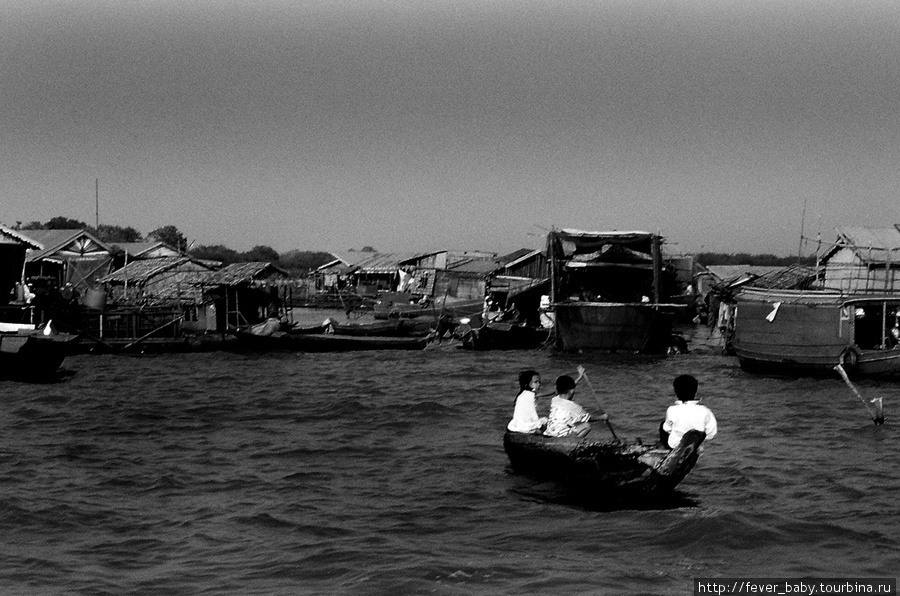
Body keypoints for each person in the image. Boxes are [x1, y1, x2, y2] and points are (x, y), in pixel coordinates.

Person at [659, 374, 717, 449]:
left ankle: (666, 450)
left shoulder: (672, 410)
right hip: (696, 447)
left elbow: (667, 429)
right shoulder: (705, 411)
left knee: (663, 425)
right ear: (695, 392)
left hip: (674, 446)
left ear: (676, 393)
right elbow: (711, 433)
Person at [544, 369, 595, 438]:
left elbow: (568, 388)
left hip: (549, 432)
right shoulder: (573, 406)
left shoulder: (555, 400)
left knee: (570, 423)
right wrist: (603, 417)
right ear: (571, 391)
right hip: (560, 435)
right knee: (587, 425)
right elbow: (588, 418)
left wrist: (579, 377)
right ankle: (575, 442)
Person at [507, 369, 546, 434]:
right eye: (536, 382)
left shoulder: (523, 394)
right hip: (524, 425)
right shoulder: (529, 394)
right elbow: (540, 394)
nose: (538, 384)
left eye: (539, 382)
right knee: (544, 424)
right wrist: (554, 392)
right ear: (527, 384)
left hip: (518, 424)